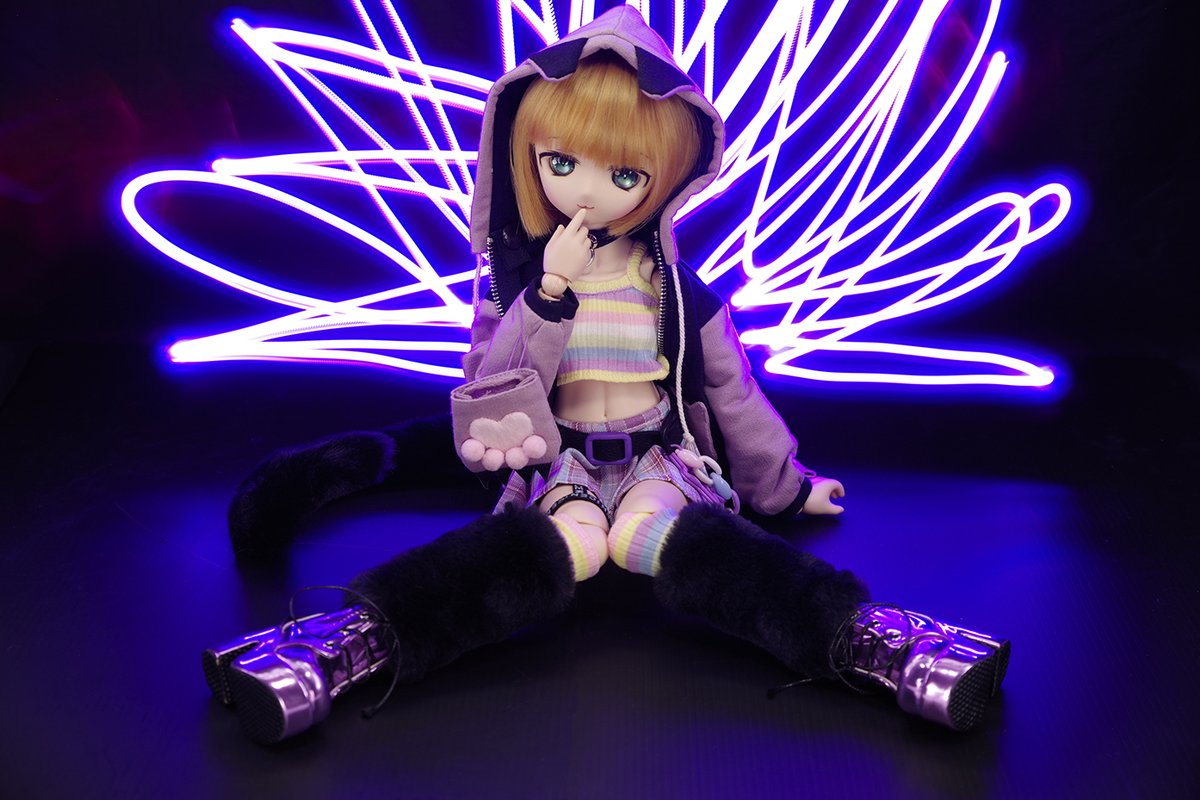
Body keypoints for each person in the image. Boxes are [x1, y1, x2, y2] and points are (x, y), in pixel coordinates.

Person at [204, 7, 1009, 745]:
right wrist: (548, 291)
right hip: (564, 462)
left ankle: (876, 641)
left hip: (660, 460)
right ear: (525, 154)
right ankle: (347, 642)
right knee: (561, 545)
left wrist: (784, 487)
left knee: (668, 539)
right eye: (560, 161)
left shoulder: (677, 292)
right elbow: (491, 385)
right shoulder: (513, 288)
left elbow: (733, 394)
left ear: (670, 177)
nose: (587, 188)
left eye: (626, 175)